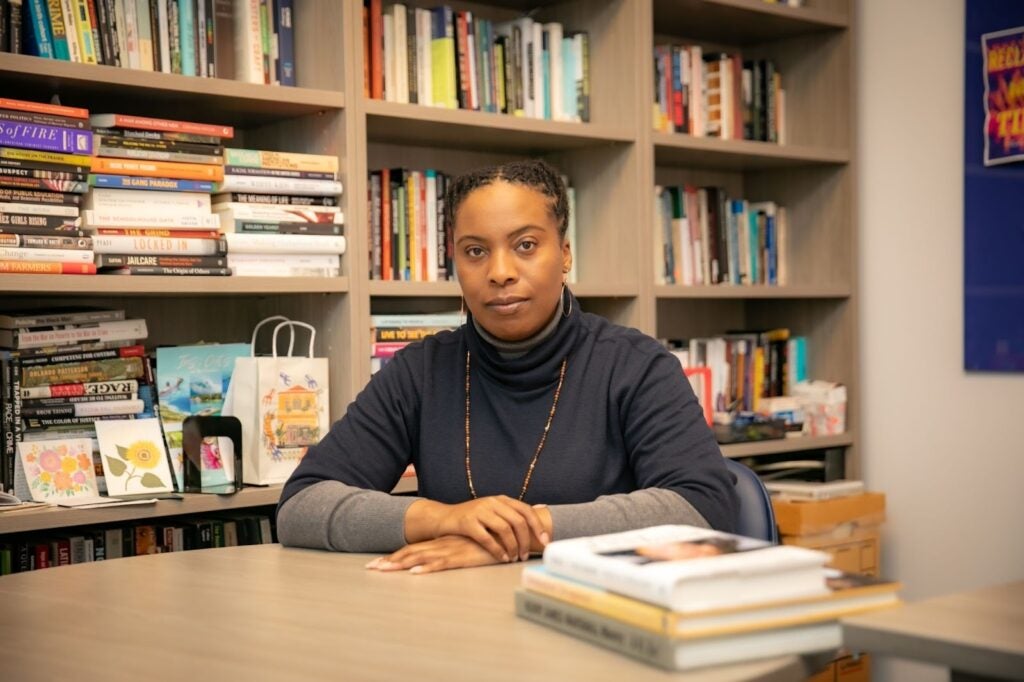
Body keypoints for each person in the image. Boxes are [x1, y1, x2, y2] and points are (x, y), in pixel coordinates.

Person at [277, 159, 738, 573]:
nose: (500, 271)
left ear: (565, 254)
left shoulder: (636, 366)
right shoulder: (421, 372)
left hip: (598, 615)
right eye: (475, 251)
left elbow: (703, 505)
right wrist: (443, 519)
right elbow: (301, 504)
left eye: (525, 245)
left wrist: (520, 535)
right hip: (458, 621)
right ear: (454, 262)